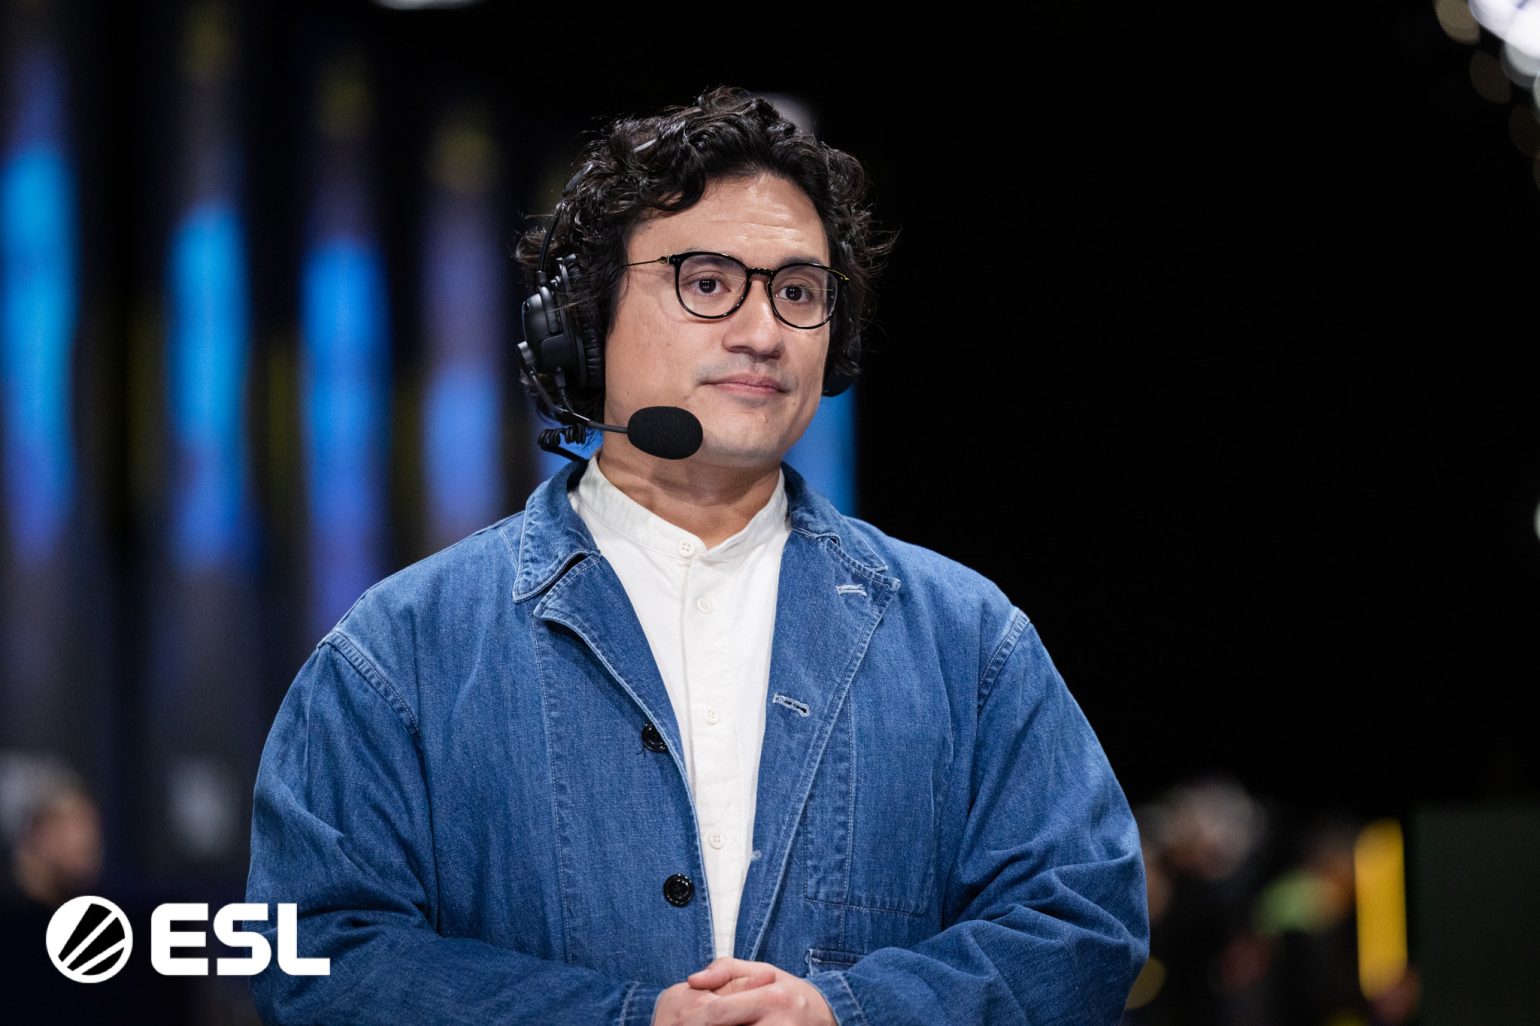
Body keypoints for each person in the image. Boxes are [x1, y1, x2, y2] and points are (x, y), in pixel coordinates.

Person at [246, 86, 1148, 1025]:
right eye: (707, 283)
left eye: (797, 293)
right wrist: (623, 1019)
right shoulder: (399, 652)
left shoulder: (969, 643)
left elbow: (1083, 923)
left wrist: (848, 1013)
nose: (762, 333)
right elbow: (311, 952)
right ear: (581, 323)